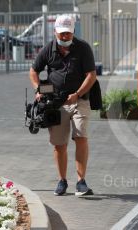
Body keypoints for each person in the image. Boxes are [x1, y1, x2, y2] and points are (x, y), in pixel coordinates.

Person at [29, 14, 96, 196]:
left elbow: (91, 74)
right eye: (61, 34)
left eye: (68, 33)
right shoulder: (48, 50)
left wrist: (78, 94)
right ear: (55, 32)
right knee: (59, 145)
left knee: (81, 136)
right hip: (55, 103)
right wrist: (38, 89)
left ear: (73, 31)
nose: (65, 37)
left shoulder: (83, 48)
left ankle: (81, 182)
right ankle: (62, 181)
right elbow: (34, 70)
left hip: (79, 100)